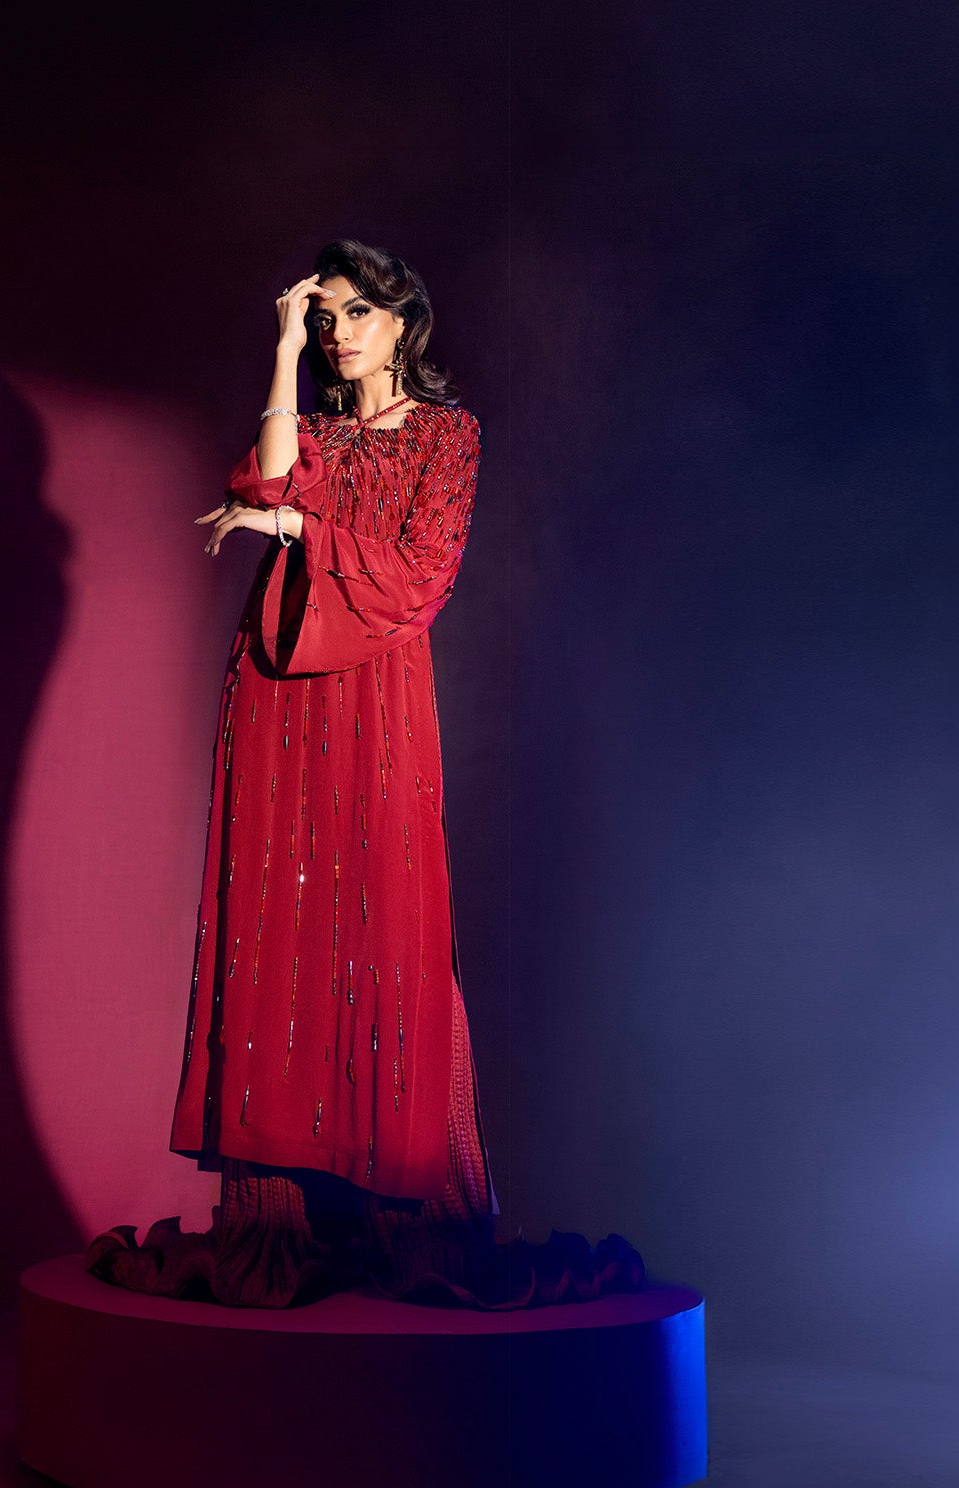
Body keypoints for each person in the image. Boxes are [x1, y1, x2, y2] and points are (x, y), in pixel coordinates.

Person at [83, 240, 643, 1309]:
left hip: (376, 697)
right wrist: (282, 352)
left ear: (403, 321)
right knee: (277, 928)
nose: (338, 330)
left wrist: (295, 525)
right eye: (324, 315)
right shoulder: (318, 428)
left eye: (354, 313)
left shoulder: (445, 434)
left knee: (385, 927)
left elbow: (423, 572)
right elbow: (263, 477)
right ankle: (277, 1220)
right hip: (275, 695)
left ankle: (404, 1214)